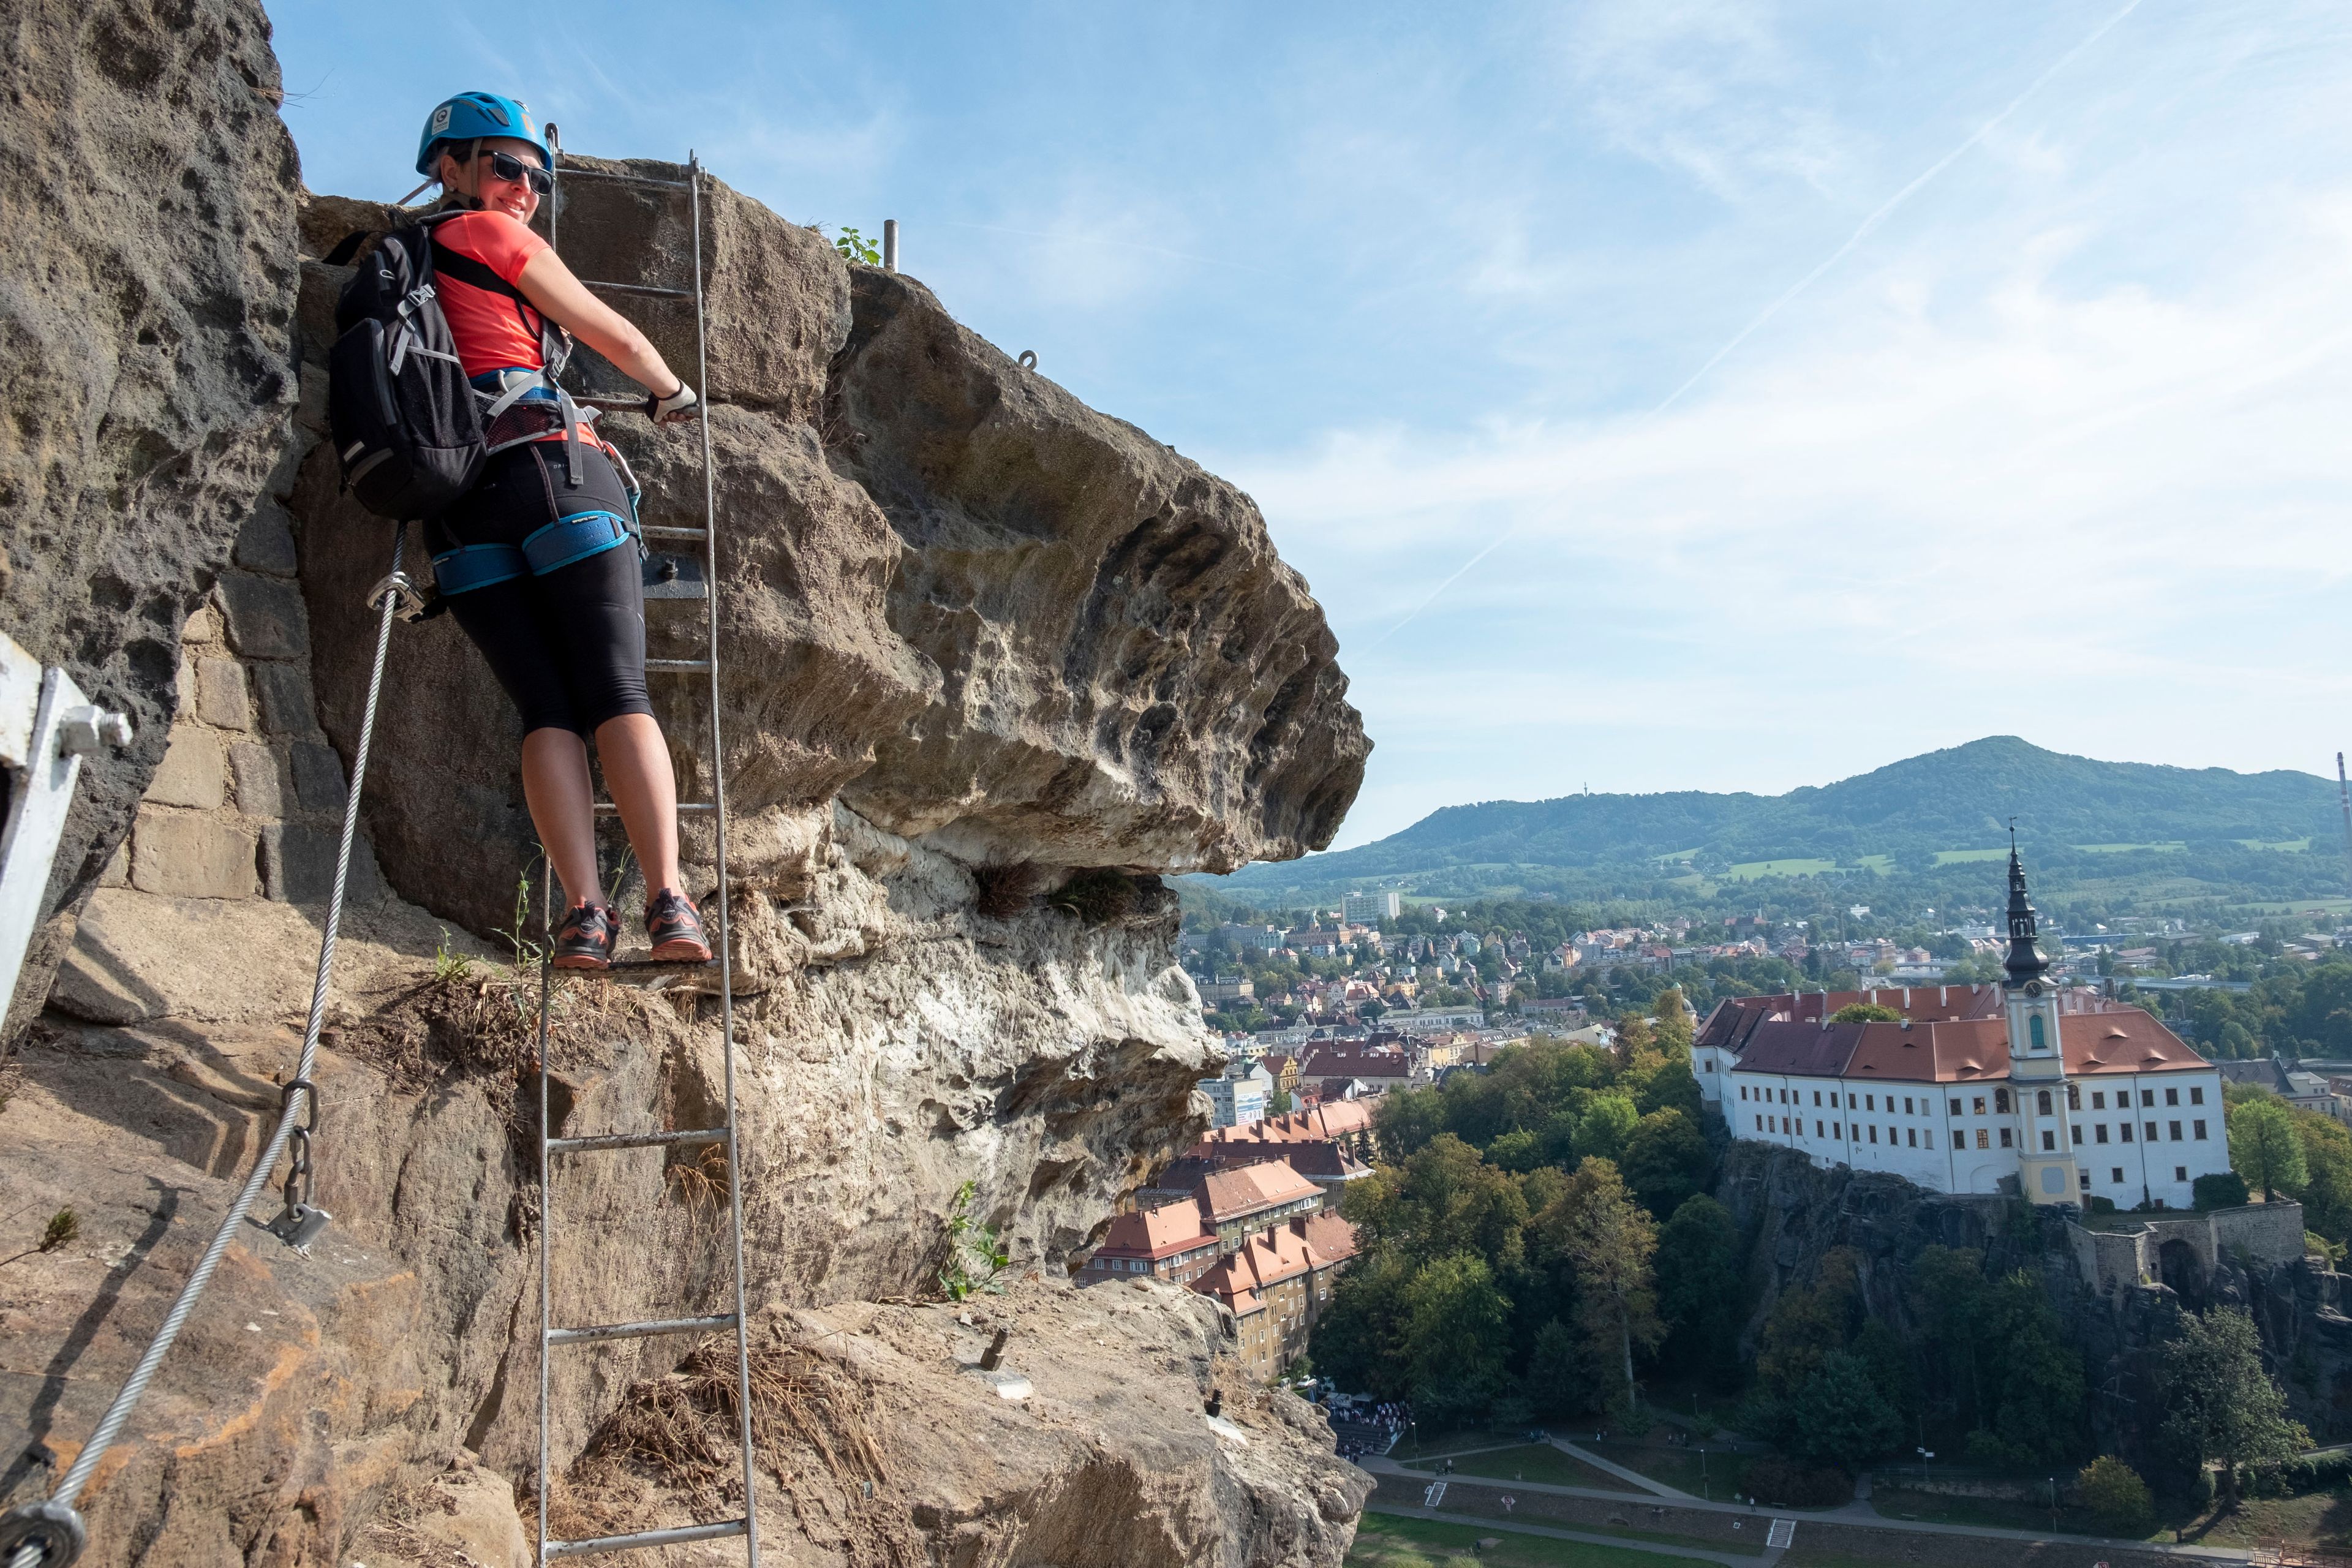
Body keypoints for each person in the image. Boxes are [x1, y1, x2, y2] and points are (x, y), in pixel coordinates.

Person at [407, 92, 707, 969]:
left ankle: (583, 916)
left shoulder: (399, 263)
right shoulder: (491, 237)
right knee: (618, 693)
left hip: (457, 508)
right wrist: (671, 393)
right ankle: (669, 903)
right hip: (551, 475)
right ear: (450, 170)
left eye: (537, 175)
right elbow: (604, 329)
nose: (526, 187)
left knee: (545, 708)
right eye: (506, 166)